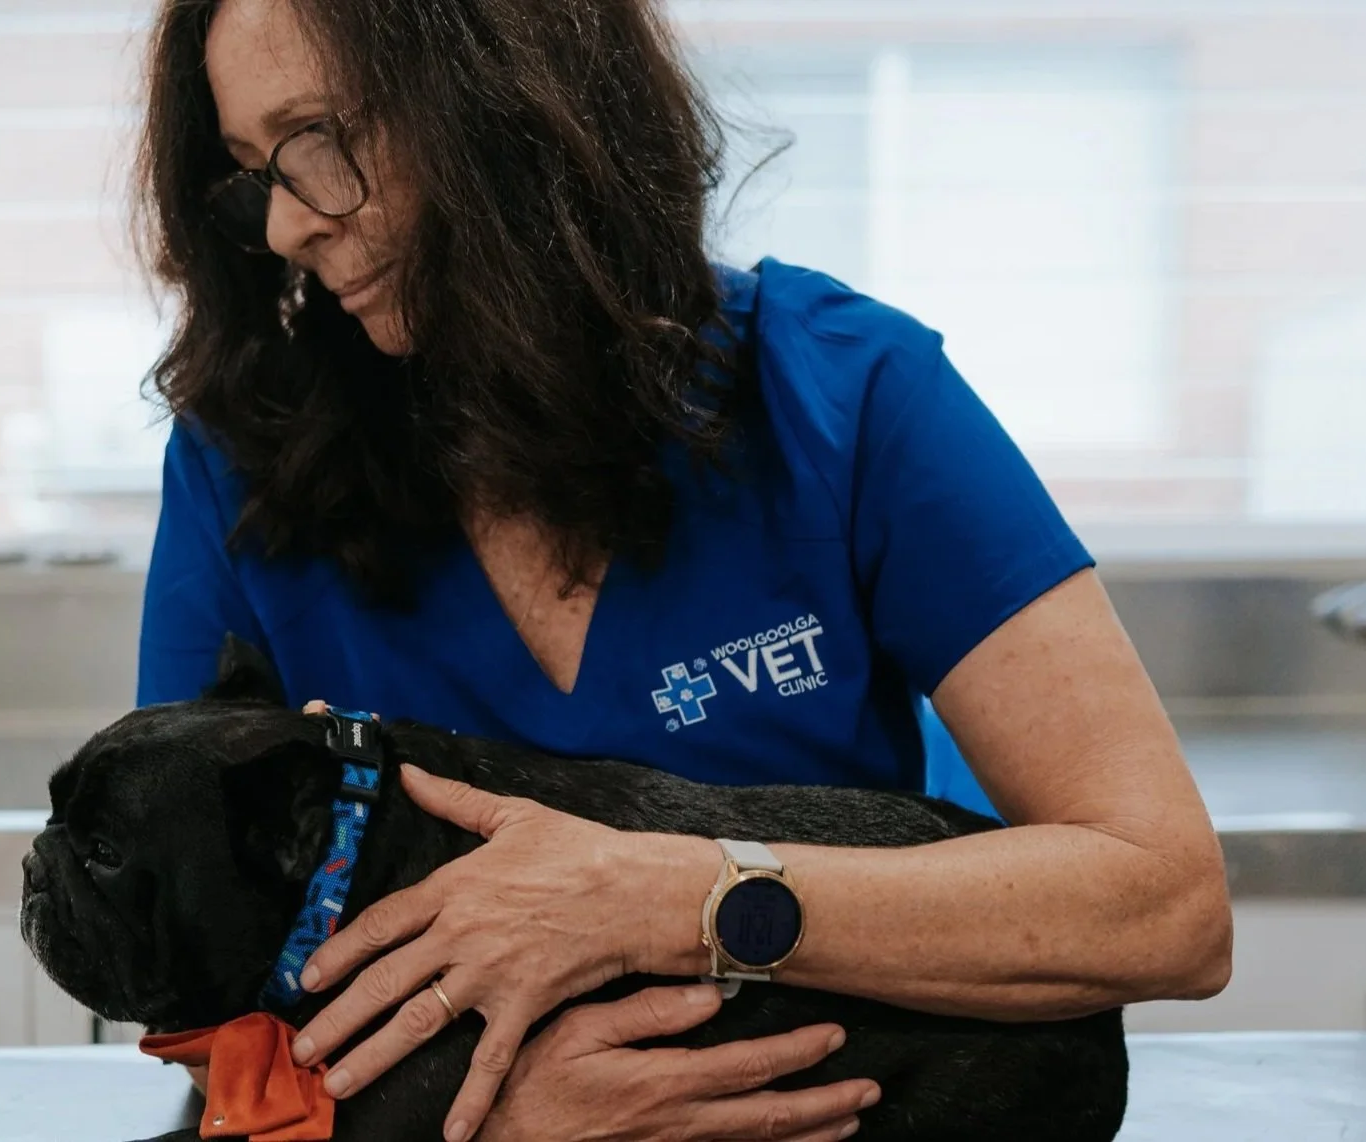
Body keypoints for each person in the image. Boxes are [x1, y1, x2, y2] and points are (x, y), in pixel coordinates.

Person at [131, 0, 1234, 1138]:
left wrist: (661, 897)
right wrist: (477, 1125)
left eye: (316, 139)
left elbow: (1163, 903)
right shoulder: (242, 460)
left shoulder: (848, 394)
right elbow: (179, 963)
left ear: (510, 97)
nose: (280, 229)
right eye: (254, 171)